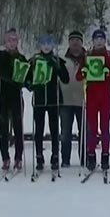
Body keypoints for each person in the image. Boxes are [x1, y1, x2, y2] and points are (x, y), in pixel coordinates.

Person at [76, 27, 110, 171]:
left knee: (105, 126)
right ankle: (91, 155)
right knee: (92, 127)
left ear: (105, 41)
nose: (99, 42)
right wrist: (84, 71)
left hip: (106, 95)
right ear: (93, 41)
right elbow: (78, 76)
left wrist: (109, 71)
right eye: (96, 39)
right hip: (92, 95)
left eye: (101, 39)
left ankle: (105, 155)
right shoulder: (87, 55)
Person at [29, 34, 69, 172]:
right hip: (39, 100)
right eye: (43, 43)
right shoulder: (34, 60)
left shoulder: (57, 59)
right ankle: (39, 157)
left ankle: (55, 156)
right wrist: (29, 84)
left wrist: (57, 67)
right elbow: (26, 77)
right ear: (40, 45)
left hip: (54, 100)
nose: (46, 46)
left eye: (49, 43)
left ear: (52, 45)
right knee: (39, 129)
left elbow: (66, 79)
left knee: (54, 129)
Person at [0, 28, 27, 173]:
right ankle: (5, 157)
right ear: (5, 42)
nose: (12, 43)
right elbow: (1, 71)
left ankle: (18, 157)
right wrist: (15, 79)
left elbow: (26, 75)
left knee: (18, 127)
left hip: (16, 96)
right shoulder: (1, 55)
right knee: (3, 128)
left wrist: (28, 83)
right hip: (3, 95)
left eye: (14, 40)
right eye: (9, 40)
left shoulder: (21, 58)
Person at [60, 30, 86, 167]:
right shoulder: (62, 59)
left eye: (78, 40)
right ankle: (65, 159)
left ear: (82, 43)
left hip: (84, 101)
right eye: (72, 40)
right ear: (69, 43)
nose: (75, 43)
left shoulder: (88, 59)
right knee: (65, 133)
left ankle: (84, 159)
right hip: (66, 100)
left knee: (85, 132)